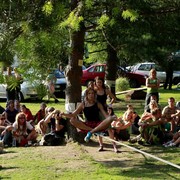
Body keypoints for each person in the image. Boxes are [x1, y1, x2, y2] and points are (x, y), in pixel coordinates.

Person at [61, 87, 116, 152]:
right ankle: (92, 131)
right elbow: (73, 115)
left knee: (110, 118)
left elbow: (106, 116)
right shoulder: (83, 104)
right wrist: (63, 114)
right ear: (86, 95)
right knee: (72, 120)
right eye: (89, 93)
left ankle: (91, 132)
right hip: (87, 125)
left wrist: (112, 117)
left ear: (95, 95)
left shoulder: (98, 104)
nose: (91, 95)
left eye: (92, 93)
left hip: (98, 124)